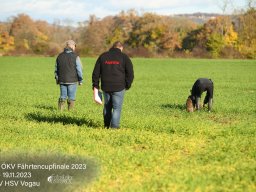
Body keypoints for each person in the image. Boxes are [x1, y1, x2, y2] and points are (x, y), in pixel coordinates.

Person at [92, 41, 134, 129]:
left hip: (105, 87)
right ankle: (114, 128)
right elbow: (130, 73)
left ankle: (106, 126)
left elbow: (95, 73)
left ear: (112, 47)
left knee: (107, 107)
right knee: (117, 108)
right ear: (121, 48)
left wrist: (96, 86)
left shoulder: (103, 56)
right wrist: (127, 85)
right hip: (119, 87)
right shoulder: (124, 57)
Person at [54, 40, 83, 111]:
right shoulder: (76, 57)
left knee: (62, 96)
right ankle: (70, 113)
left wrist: (57, 79)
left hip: (62, 80)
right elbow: (79, 69)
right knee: (71, 97)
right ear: (72, 46)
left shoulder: (59, 56)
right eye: (75, 46)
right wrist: (80, 80)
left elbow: (56, 69)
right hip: (73, 81)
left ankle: (60, 112)